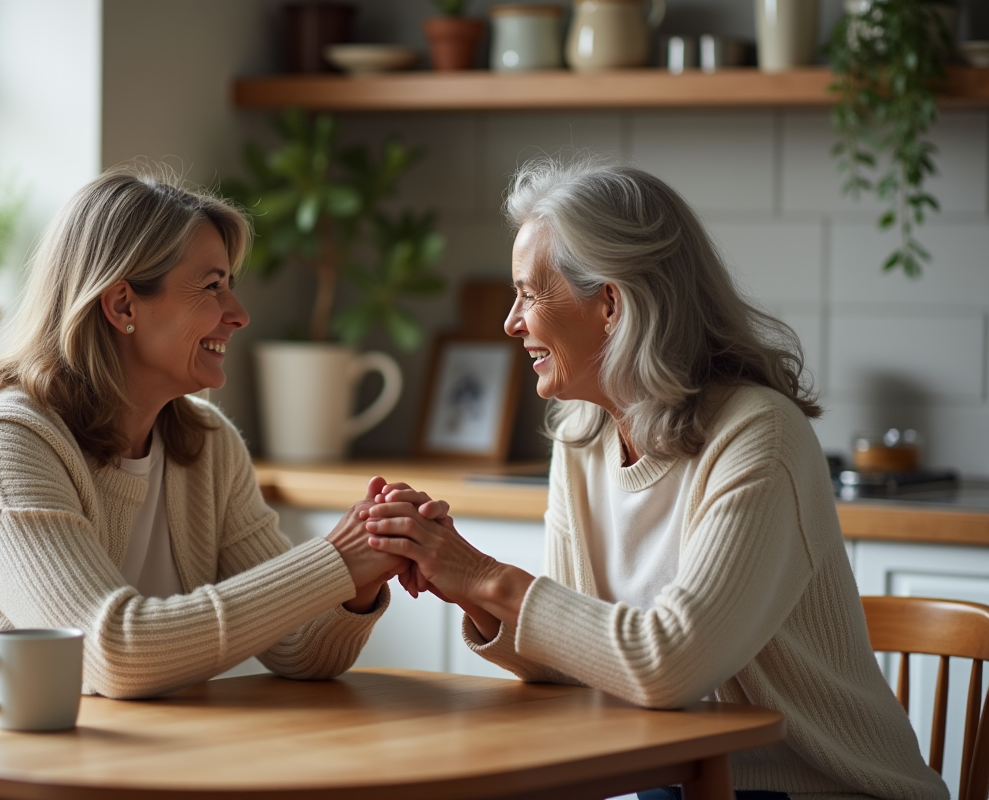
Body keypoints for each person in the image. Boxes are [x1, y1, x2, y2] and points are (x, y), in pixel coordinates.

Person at [365, 156, 948, 800]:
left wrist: (484, 575)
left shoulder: (758, 433)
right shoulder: (581, 435)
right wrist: (463, 586)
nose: (511, 321)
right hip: (681, 785)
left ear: (610, 304)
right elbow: (575, 662)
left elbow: (669, 665)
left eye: (530, 293)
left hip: (818, 789)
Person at [0, 168, 434, 714]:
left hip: (70, 769)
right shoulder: (6, 444)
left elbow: (301, 651)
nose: (238, 313)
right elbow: (112, 654)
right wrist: (334, 558)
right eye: (212, 287)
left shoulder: (207, 445)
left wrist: (362, 571)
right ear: (123, 304)